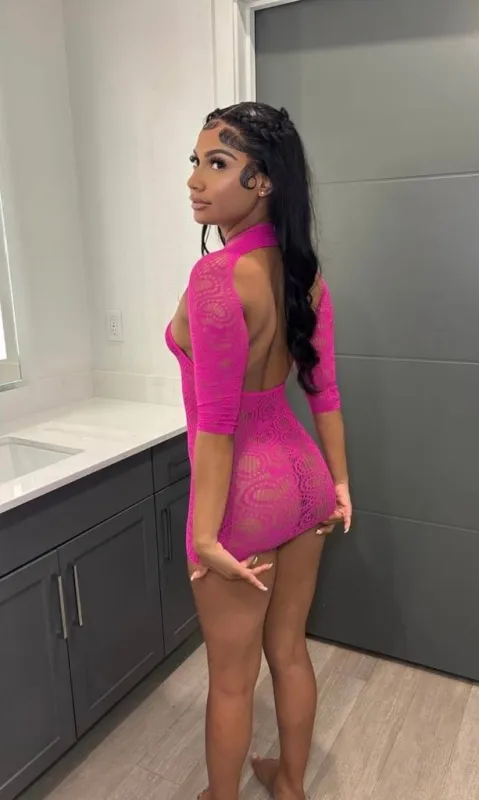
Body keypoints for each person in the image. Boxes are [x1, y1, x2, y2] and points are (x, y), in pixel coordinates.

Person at [166, 102, 351, 800]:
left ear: (263, 179)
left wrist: (204, 536)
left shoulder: (217, 279)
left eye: (218, 163)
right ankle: (291, 784)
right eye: (196, 161)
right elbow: (324, 392)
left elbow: (217, 425)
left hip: (241, 496)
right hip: (304, 480)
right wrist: (341, 485)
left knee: (230, 681)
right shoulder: (305, 273)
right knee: (289, 650)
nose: (196, 179)